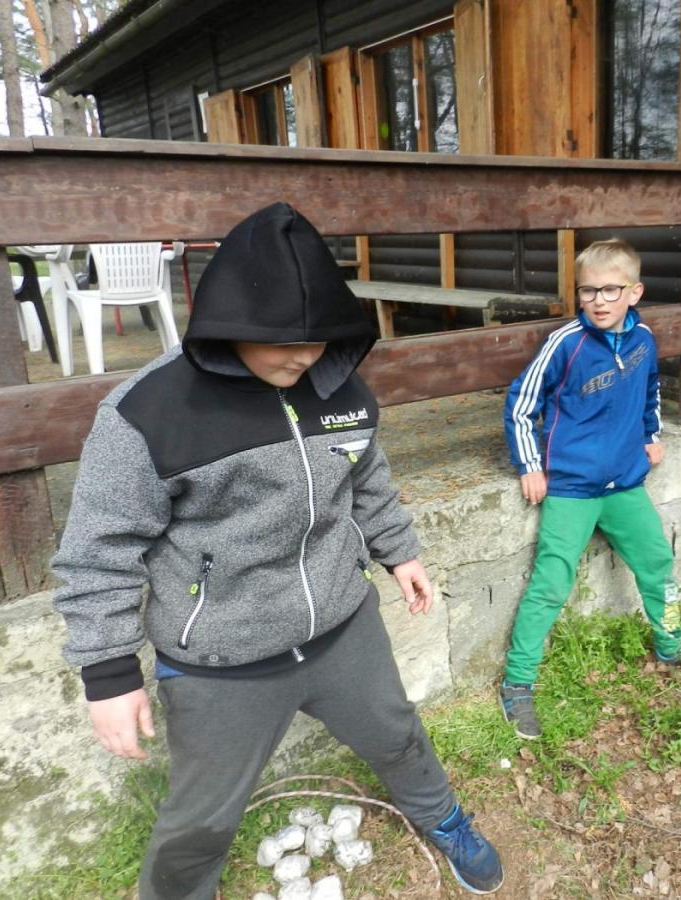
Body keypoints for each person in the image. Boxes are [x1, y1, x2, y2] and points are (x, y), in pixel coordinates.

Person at [52, 203, 502, 898]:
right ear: (229, 322)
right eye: (284, 342)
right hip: (221, 662)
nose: (303, 356)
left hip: (343, 629)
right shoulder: (146, 415)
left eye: (320, 339)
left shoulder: (336, 383)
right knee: (201, 816)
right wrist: (109, 674)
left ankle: (443, 819)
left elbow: (365, 477)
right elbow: (97, 550)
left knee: (398, 736)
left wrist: (400, 552)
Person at [499, 238, 681, 740]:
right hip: (573, 487)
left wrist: (650, 435)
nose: (599, 301)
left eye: (610, 290)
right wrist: (530, 465)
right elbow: (521, 404)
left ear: (634, 291)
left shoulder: (643, 338)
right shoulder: (566, 344)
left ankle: (671, 642)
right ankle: (518, 681)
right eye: (588, 291)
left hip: (624, 482)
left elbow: (650, 390)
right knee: (551, 583)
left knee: (658, 562)